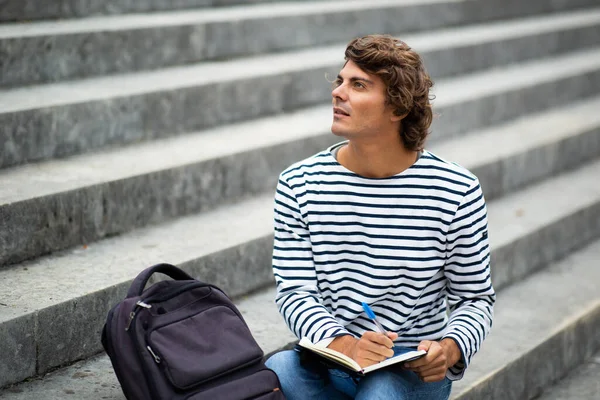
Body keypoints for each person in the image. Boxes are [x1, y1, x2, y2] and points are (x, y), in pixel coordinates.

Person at [265, 34, 496, 400]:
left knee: (382, 390)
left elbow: (475, 299)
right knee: (278, 371)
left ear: (398, 108)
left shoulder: (455, 189)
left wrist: (449, 349)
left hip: (409, 368)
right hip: (331, 357)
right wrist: (345, 344)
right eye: (340, 81)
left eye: (358, 85)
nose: (338, 93)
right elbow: (296, 291)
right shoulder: (300, 183)